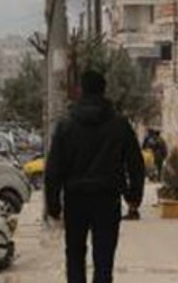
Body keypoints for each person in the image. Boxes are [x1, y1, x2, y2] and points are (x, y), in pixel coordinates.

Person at [45, 69, 146, 283]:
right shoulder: (120, 124)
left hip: (75, 199)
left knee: (74, 256)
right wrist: (133, 196)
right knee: (104, 260)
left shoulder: (66, 125)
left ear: (80, 90)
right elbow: (135, 164)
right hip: (107, 199)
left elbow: (53, 169)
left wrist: (53, 204)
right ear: (104, 90)